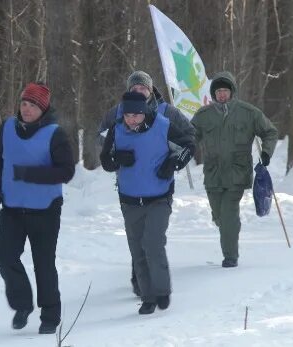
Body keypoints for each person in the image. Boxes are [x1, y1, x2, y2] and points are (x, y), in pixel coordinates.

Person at [0, 82, 75, 334]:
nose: (26, 109)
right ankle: (22, 305)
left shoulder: (54, 133)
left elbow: (67, 171)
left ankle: (50, 316)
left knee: (43, 264)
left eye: (33, 105)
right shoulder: (7, 128)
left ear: (43, 109)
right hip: (13, 208)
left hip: (45, 209)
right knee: (5, 257)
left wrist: (30, 174)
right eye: (24, 103)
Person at [98, 70, 195, 296]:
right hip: (130, 184)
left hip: (159, 184)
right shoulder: (119, 112)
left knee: (152, 237)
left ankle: (154, 285)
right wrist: (115, 156)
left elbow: (189, 135)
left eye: (143, 88)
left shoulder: (167, 112)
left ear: (151, 90)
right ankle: (140, 280)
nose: (139, 91)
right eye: (135, 89)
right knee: (137, 237)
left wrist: (173, 162)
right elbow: (101, 135)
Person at [190, 71, 278, 268]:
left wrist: (266, 153)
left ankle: (231, 256)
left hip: (237, 173)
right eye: (218, 91)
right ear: (213, 93)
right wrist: (181, 151)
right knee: (219, 215)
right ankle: (228, 230)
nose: (222, 94)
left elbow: (270, 131)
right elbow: (190, 137)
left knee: (229, 213)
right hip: (213, 174)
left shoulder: (248, 112)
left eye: (225, 90)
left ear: (232, 92)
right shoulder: (204, 115)